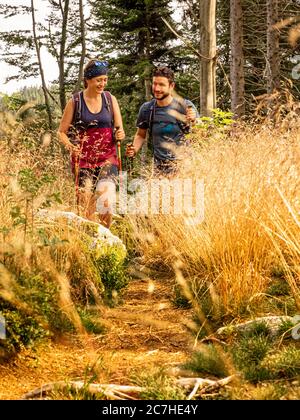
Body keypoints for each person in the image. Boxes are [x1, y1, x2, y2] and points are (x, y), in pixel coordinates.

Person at [58, 59, 125, 228]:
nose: (103, 83)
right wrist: (70, 146)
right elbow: (61, 132)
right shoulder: (76, 101)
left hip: (107, 158)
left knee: (106, 199)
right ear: (88, 80)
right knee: (85, 205)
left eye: (105, 79)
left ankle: (106, 237)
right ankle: (91, 241)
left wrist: (120, 134)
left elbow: (119, 129)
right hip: (83, 160)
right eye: (98, 80)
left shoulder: (110, 99)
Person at [125, 66, 198, 175]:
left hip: (184, 169)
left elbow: (202, 132)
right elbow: (140, 135)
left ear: (171, 86)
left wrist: (194, 120)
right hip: (158, 171)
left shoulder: (185, 106)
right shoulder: (147, 109)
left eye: (162, 85)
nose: (157, 88)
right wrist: (134, 149)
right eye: (155, 84)